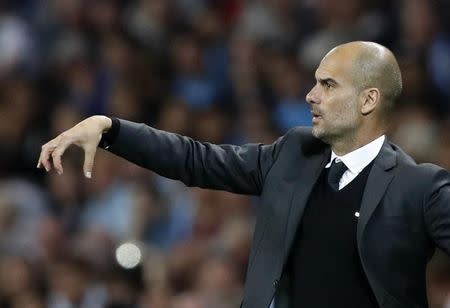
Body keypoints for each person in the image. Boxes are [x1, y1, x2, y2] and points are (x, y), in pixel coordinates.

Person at [38, 41, 450, 308]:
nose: (311, 95)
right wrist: (113, 129)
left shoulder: (420, 188)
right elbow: (196, 160)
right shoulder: (294, 154)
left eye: (327, 84)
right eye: (314, 83)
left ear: (368, 100)